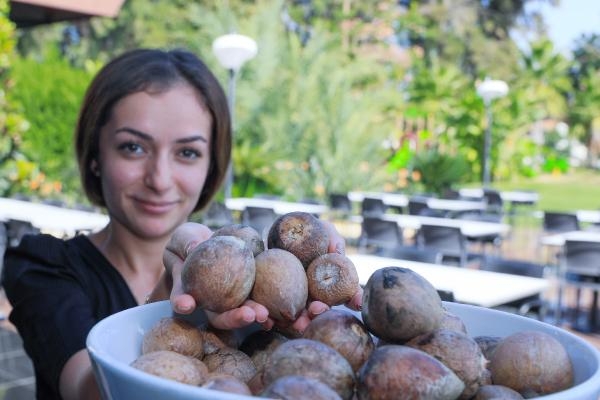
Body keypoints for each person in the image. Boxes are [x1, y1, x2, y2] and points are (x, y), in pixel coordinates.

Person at [1, 48, 361, 400]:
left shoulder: (248, 277)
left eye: (187, 152)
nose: (159, 178)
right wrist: (170, 302)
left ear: (211, 167)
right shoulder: (42, 268)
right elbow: (87, 389)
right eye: (133, 147)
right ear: (95, 155)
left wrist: (304, 305)